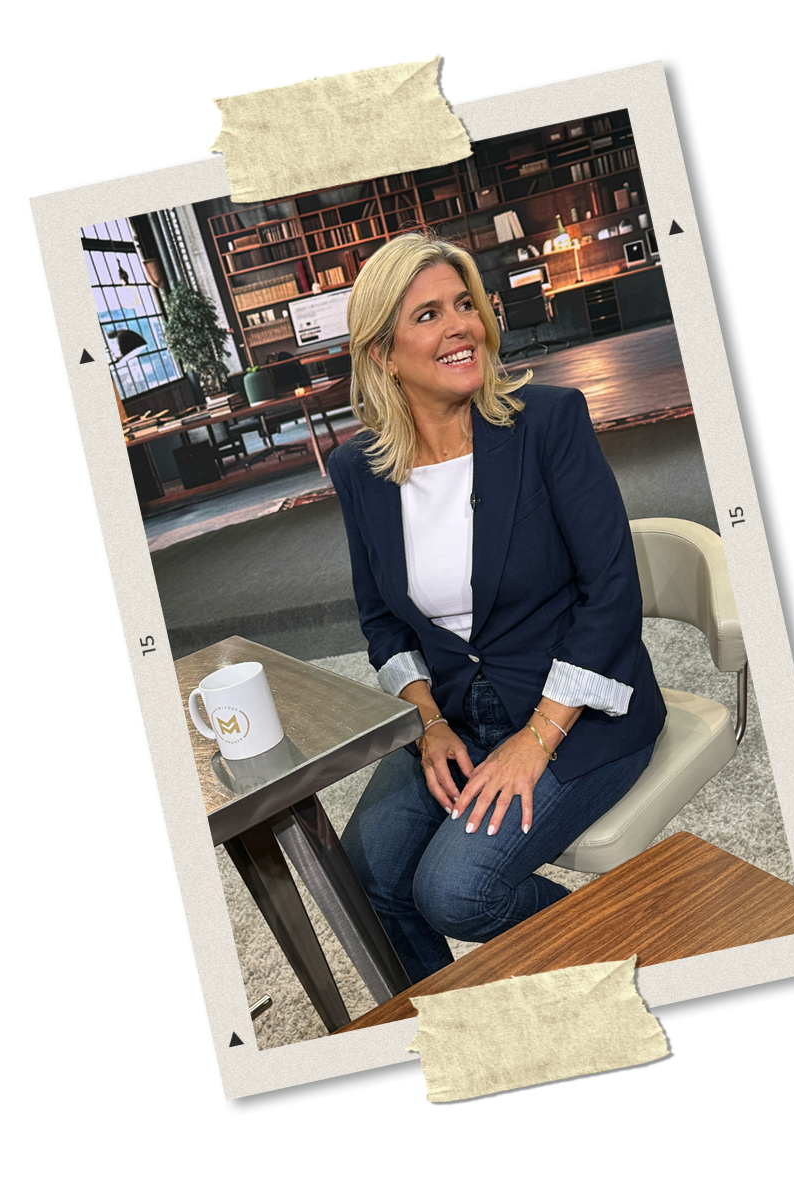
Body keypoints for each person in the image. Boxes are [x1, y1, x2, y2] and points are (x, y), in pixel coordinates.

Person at [328, 230, 667, 984]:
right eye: (426, 316)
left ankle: (644, 951)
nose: (460, 327)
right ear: (382, 351)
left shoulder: (548, 422)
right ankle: (453, 1020)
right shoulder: (357, 468)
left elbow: (612, 592)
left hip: (578, 712)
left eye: (464, 305)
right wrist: (429, 721)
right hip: (456, 714)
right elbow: (380, 619)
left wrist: (536, 738)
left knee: (456, 890)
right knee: (366, 876)